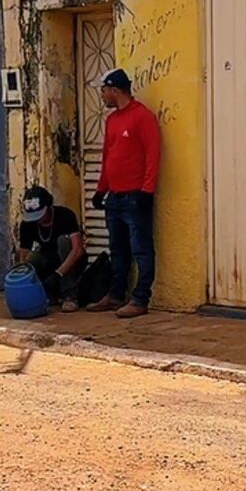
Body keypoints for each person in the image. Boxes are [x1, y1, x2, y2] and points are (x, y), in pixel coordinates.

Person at [87, 68, 161, 319]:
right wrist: (101, 189)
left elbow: (153, 154)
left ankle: (141, 298)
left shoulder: (143, 117)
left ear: (115, 90)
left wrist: (147, 190)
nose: (103, 96)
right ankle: (116, 293)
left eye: (104, 91)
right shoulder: (112, 121)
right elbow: (108, 157)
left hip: (135, 196)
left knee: (141, 248)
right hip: (115, 197)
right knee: (118, 249)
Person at [18, 185, 87, 313]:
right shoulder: (27, 225)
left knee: (63, 242)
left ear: (49, 207)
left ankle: (69, 295)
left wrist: (59, 273)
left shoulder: (65, 215)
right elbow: (24, 252)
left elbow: (78, 249)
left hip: (69, 259)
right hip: (48, 259)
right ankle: (46, 293)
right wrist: (24, 274)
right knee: (32, 258)